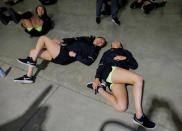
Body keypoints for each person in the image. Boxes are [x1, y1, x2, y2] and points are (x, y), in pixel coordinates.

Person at [87, 40, 156, 129]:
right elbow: (101, 65)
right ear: (111, 46)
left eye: (118, 41)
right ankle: (139, 117)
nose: (115, 41)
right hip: (110, 71)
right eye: (113, 42)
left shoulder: (126, 52)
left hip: (119, 79)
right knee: (138, 79)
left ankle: (100, 89)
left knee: (121, 107)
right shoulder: (107, 52)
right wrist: (97, 78)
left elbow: (134, 65)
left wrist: (125, 58)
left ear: (121, 46)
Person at [14, 35, 106, 83]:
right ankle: (29, 77)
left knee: (43, 38)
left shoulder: (94, 51)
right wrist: (61, 40)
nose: (100, 41)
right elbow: (73, 39)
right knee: (33, 52)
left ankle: (32, 61)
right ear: (97, 37)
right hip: (62, 50)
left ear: (100, 46)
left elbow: (89, 62)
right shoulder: (86, 39)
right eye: (100, 39)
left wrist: (75, 56)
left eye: (102, 43)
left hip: (65, 55)